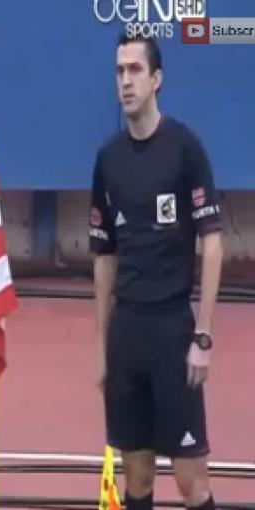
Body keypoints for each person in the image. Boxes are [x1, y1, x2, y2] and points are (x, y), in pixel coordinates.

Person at [89, 33, 223, 510]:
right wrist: (103, 349)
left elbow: (212, 243)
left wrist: (202, 336)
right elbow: (104, 258)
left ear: (156, 79)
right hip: (127, 334)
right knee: (138, 479)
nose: (125, 81)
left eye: (135, 70)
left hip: (173, 332)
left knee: (192, 483)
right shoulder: (108, 159)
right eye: (119, 71)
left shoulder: (185, 148)